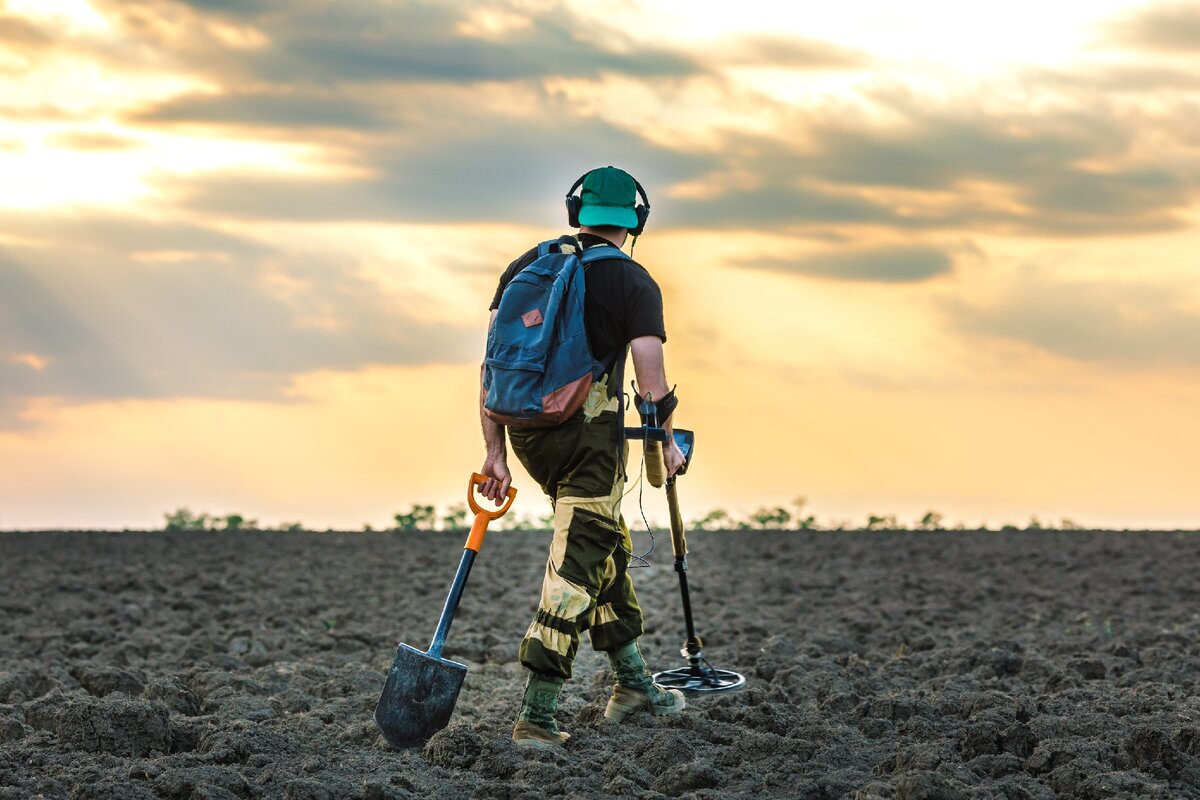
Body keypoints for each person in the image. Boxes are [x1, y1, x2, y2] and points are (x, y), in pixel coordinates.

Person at [477, 166, 687, 748]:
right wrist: (667, 444)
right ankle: (536, 716)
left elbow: (493, 368)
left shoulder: (527, 265)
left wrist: (494, 452)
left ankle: (634, 686)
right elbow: (652, 388)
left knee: (602, 547)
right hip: (589, 443)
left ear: (577, 212)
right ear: (636, 221)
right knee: (574, 567)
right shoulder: (634, 281)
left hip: (528, 438)